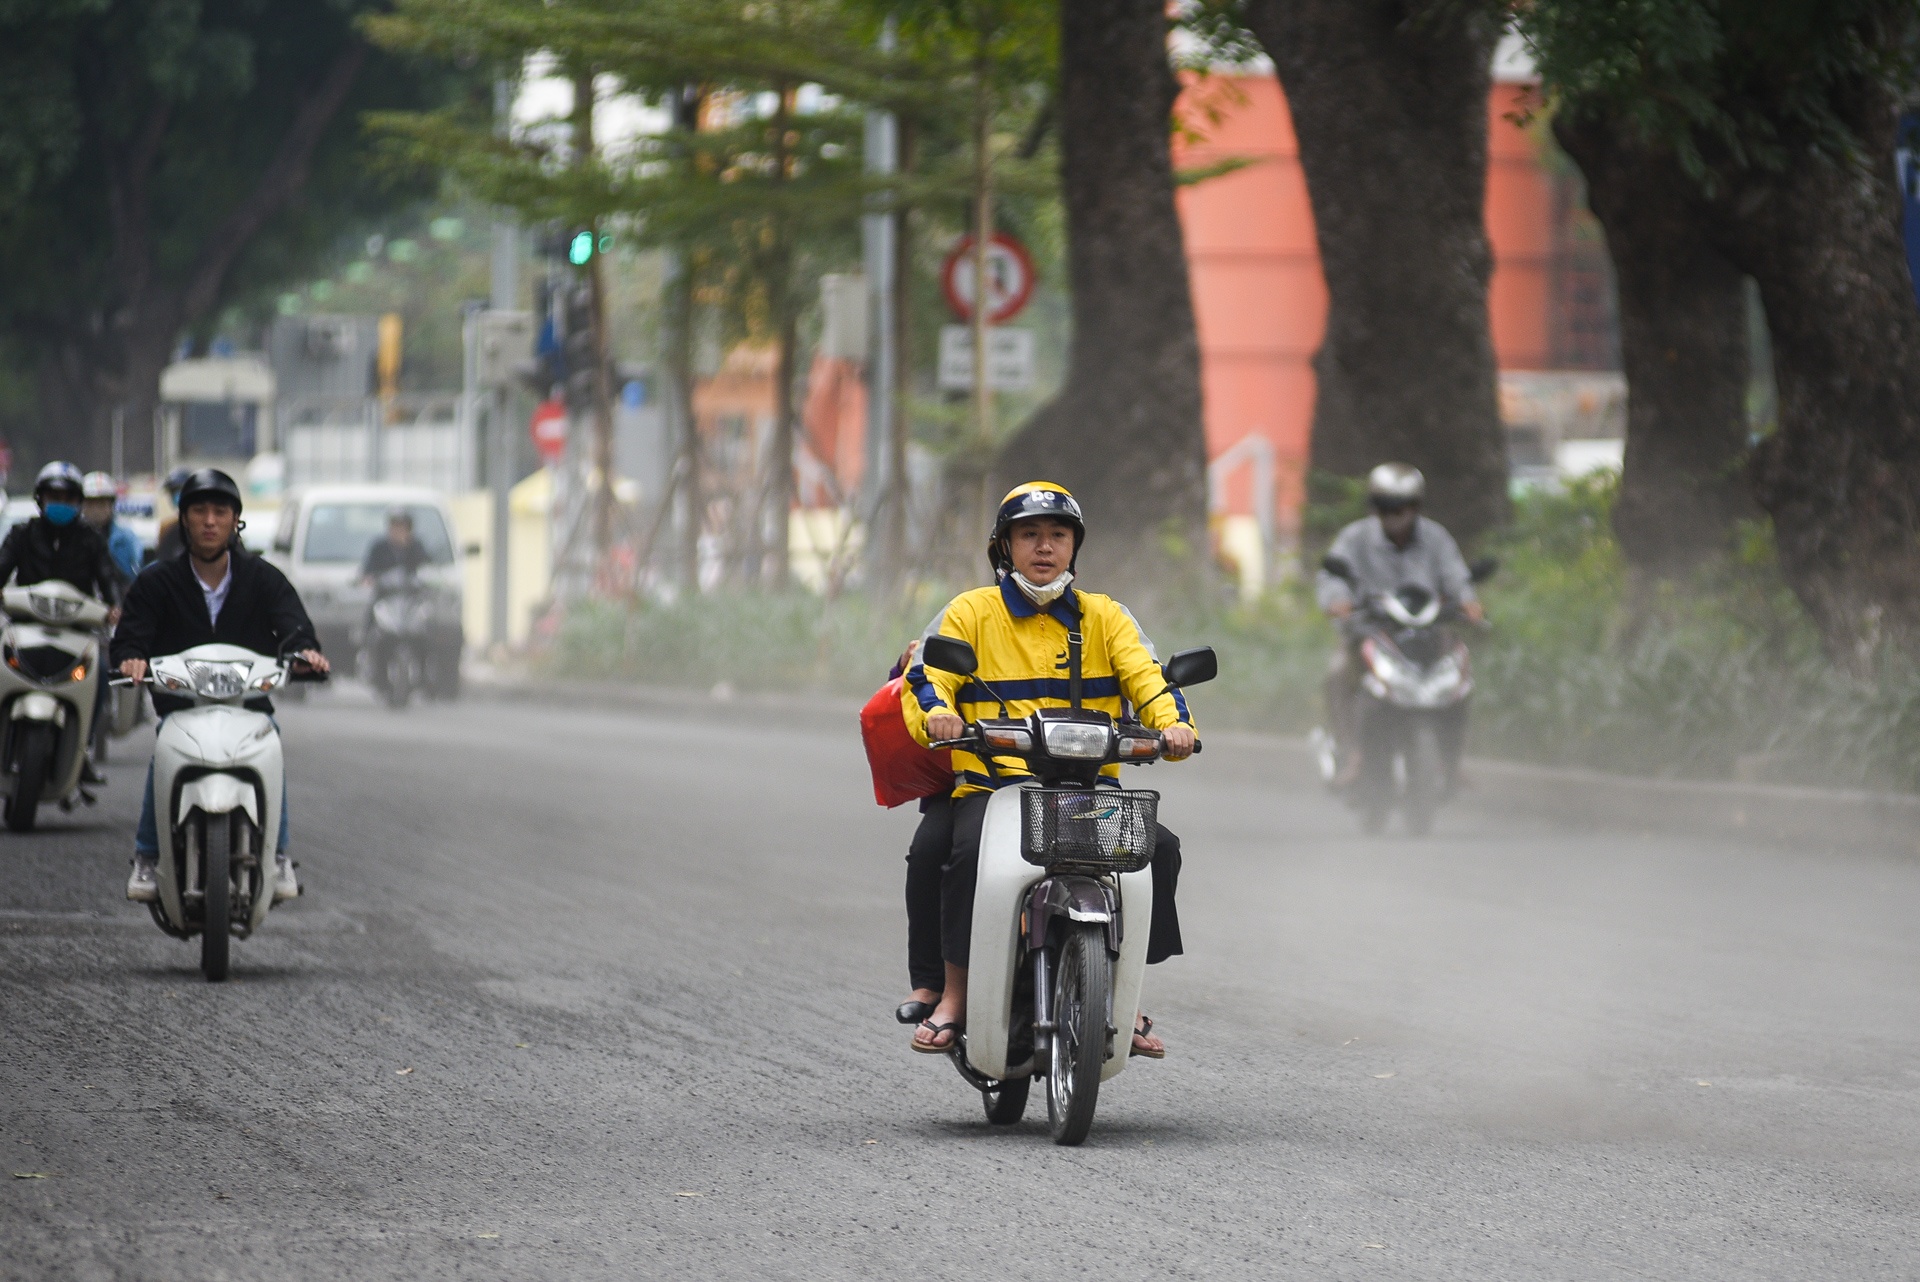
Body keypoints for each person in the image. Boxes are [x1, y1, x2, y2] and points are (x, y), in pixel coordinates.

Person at [901, 482, 1196, 1059]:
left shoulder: (1106, 616)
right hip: (993, 787)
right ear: (1004, 546)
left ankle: (1125, 996)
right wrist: (937, 715)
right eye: (1029, 534)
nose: (1044, 547)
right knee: (953, 854)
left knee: (1159, 850)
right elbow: (925, 677)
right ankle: (952, 995)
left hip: (1087, 789)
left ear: (1073, 547)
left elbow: (1150, 679)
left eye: (1057, 535)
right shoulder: (970, 611)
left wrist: (1175, 727)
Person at [113, 469, 330, 904]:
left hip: (249, 709)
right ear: (183, 519)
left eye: (220, 511)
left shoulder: (264, 578)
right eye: (199, 511)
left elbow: (294, 627)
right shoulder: (156, 581)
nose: (210, 521)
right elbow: (131, 635)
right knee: (165, 747)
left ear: (235, 520)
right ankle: (147, 854)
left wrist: (305, 652)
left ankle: (278, 855)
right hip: (181, 708)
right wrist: (132, 657)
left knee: (272, 744)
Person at [1315, 462, 1483, 787]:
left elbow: (1456, 577)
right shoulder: (1355, 538)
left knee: (1462, 680)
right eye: (1384, 505)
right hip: (1370, 632)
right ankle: (1354, 754)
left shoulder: (1436, 538)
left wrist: (1468, 603)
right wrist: (1338, 601)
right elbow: (1332, 576)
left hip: (1428, 633)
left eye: (1400, 506)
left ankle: (1453, 759)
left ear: (1416, 506)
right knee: (1337, 673)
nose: (1393, 514)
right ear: (1373, 506)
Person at [0, 462, 123, 613]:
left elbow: (108, 578)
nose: (61, 503)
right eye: (54, 497)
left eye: (69, 498)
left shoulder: (92, 538)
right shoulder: (21, 534)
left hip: (80, 621)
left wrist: (115, 607)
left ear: (79, 502)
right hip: (25, 616)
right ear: (40, 499)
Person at [81, 471, 143, 586]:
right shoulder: (75, 536)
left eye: (101, 504)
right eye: (91, 504)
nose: (96, 510)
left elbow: (134, 573)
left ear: (111, 505)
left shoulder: (126, 538)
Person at [358, 507, 432, 583]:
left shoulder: (416, 548)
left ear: (409, 530)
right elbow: (367, 575)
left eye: (402, 527)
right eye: (395, 527)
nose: (398, 531)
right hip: (383, 589)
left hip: (411, 589)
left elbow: (427, 570)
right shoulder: (379, 548)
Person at [151, 466, 194, 563]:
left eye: (178, 490)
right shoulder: (167, 526)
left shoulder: (206, 523)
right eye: (172, 492)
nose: (175, 496)